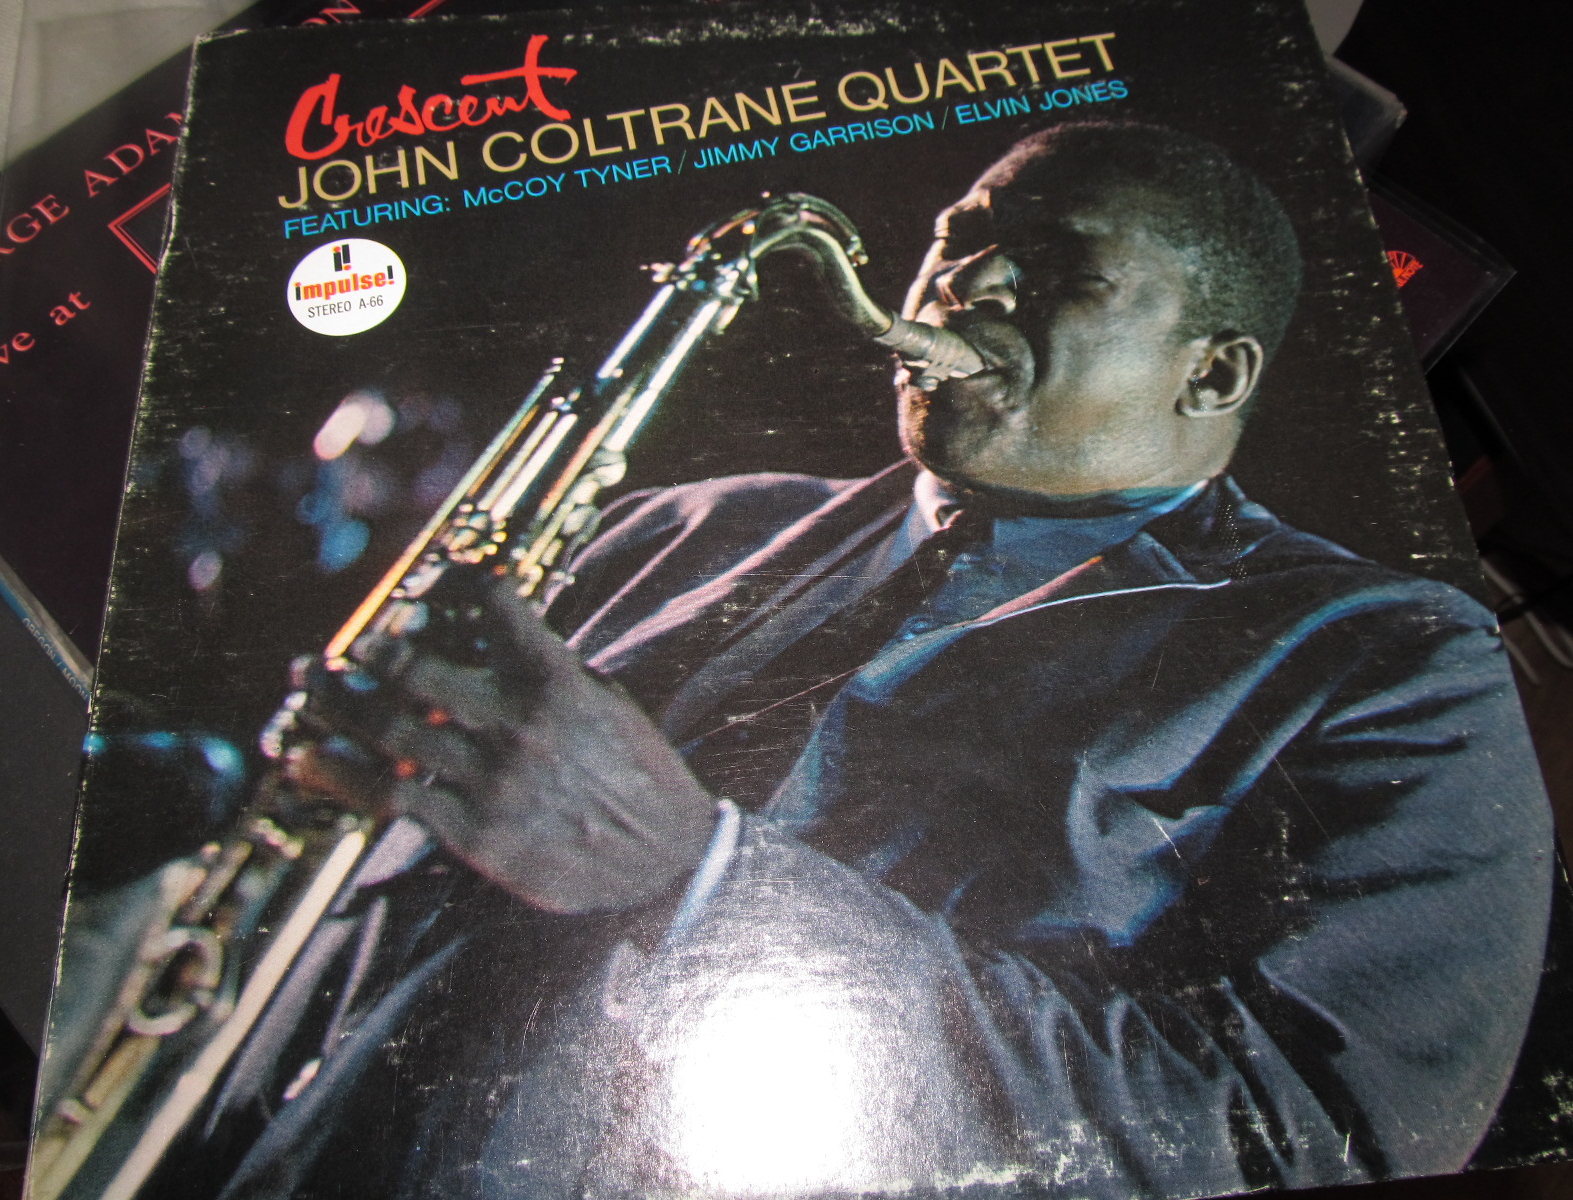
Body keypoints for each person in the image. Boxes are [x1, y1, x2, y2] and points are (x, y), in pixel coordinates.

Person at [190, 123, 1553, 1200]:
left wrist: (696, 883)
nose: (967, 285)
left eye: (1060, 268)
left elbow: (1307, 1133)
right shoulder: (680, 524)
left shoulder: (1394, 660)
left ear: (1211, 377)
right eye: (962, 240)